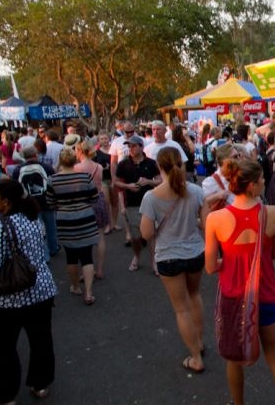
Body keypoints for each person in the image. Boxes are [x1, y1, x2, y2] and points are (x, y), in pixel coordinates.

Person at [205, 159, 275, 405]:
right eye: (261, 179)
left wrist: (230, 263)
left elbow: (210, 267)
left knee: (234, 358)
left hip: (234, 298)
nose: (264, 182)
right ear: (251, 185)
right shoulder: (272, 214)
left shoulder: (215, 219)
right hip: (267, 294)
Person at [140, 147, 209, 374]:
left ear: (159, 167)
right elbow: (206, 224)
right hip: (195, 252)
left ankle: (196, 357)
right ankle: (198, 341)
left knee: (181, 309)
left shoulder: (151, 197)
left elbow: (146, 234)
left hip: (169, 257)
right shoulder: (196, 191)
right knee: (195, 296)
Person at [0, 180, 58, 403]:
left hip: (10, 296)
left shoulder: (2, 225)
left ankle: (6, 393)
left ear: (5, 201)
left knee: (5, 347)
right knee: (40, 339)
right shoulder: (32, 218)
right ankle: (40, 383)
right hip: (40, 288)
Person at [45, 148, 99, 305]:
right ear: (75, 160)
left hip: (65, 220)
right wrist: (83, 205)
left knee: (71, 256)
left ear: (61, 162)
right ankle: (89, 292)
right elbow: (94, 197)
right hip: (86, 218)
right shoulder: (85, 177)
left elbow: (50, 202)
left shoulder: (52, 180)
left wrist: (63, 207)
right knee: (87, 256)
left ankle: (76, 286)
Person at [114, 135, 160, 273]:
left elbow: (160, 180)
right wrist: (128, 186)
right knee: (135, 237)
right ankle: (137, 256)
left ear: (141, 146)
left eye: (133, 146)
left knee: (151, 235)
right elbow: (115, 182)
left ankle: (154, 262)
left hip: (150, 203)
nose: (131, 149)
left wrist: (148, 181)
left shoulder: (151, 163)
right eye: (129, 146)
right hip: (132, 204)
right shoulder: (123, 164)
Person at [75, 140, 109, 280]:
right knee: (100, 236)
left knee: (84, 238)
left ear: (80, 151)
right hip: (98, 200)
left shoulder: (76, 168)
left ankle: (86, 270)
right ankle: (100, 269)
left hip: (83, 203)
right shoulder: (99, 167)